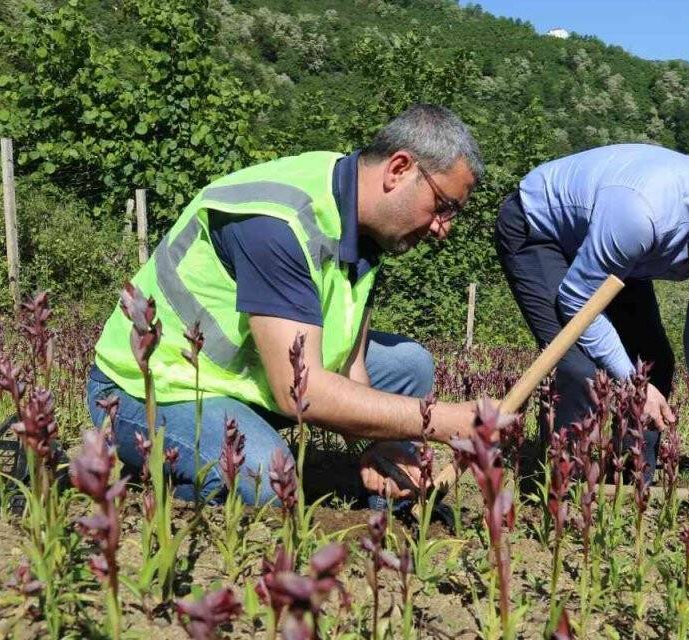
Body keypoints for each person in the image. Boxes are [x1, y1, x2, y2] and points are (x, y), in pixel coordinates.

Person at [86, 105, 485, 505]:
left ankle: (394, 504)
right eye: (443, 206)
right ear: (398, 169)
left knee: (407, 365)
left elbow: (351, 363)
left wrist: (380, 443)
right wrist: (446, 421)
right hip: (151, 389)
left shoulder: (365, 219)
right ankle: (119, 467)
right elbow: (300, 389)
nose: (443, 228)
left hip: (249, 376)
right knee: (265, 475)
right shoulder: (278, 223)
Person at [494, 143, 689, 481]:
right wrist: (633, 383)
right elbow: (578, 300)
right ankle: (563, 486)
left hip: (617, 255)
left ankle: (630, 480)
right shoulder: (642, 214)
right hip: (542, 231)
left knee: (654, 360)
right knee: (578, 366)